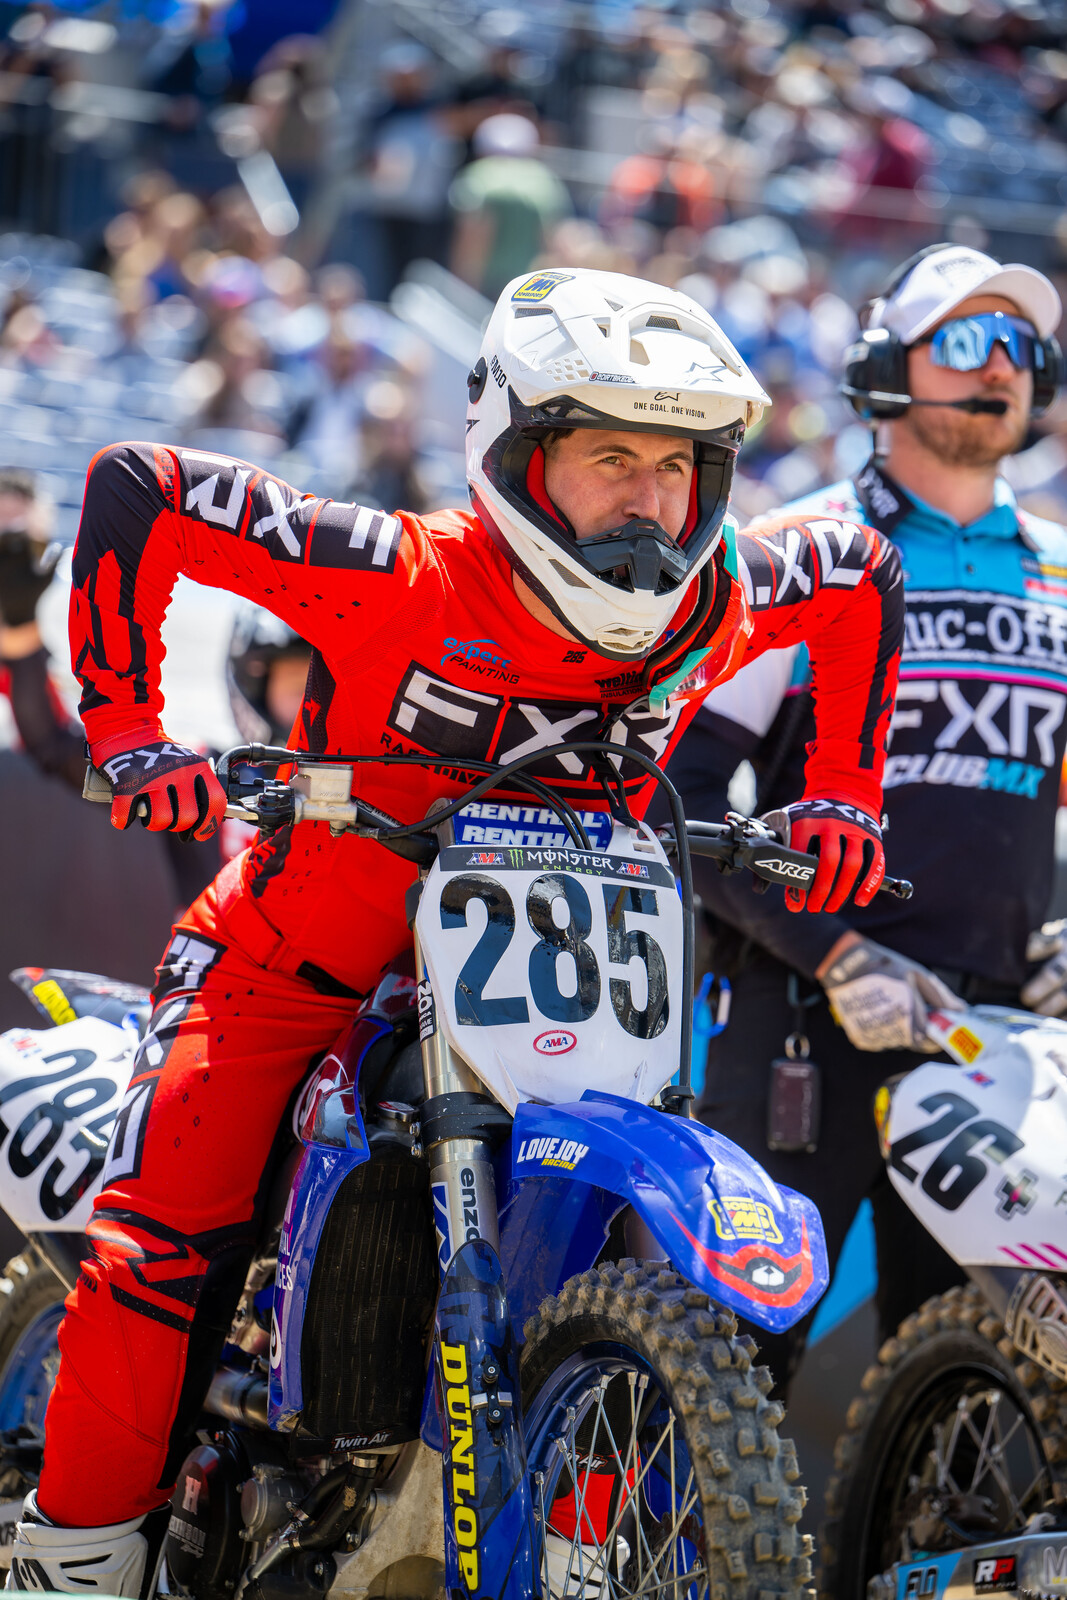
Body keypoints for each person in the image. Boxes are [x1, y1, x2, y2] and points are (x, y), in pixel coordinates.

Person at [8, 268, 904, 1595]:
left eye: (677, 467)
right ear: (518, 453)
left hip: (556, 1008)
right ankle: (69, 1563)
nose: (649, 503)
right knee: (165, 1247)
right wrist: (132, 728)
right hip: (295, 964)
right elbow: (141, 483)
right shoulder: (402, 571)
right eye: (610, 457)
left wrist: (842, 789)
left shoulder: (717, 600)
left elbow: (857, 571)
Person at [663, 243, 1066, 1397]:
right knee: (729, 1374)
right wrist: (836, 954)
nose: (998, 369)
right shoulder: (800, 555)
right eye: (961, 341)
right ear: (886, 367)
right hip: (803, 1020)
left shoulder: (1051, 574)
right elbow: (672, 789)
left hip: (987, 1047)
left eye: (1019, 347)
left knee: (968, 1387)